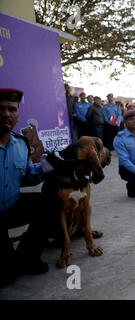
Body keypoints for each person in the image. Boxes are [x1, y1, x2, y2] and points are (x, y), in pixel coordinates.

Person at [0, 88, 61, 287]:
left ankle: (28, 256)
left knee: (51, 202)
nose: (6, 114)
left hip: (11, 204)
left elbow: (28, 176)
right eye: (1, 109)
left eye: (11, 109)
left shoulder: (21, 143)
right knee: (7, 277)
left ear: (18, 115)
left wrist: (51, 162)